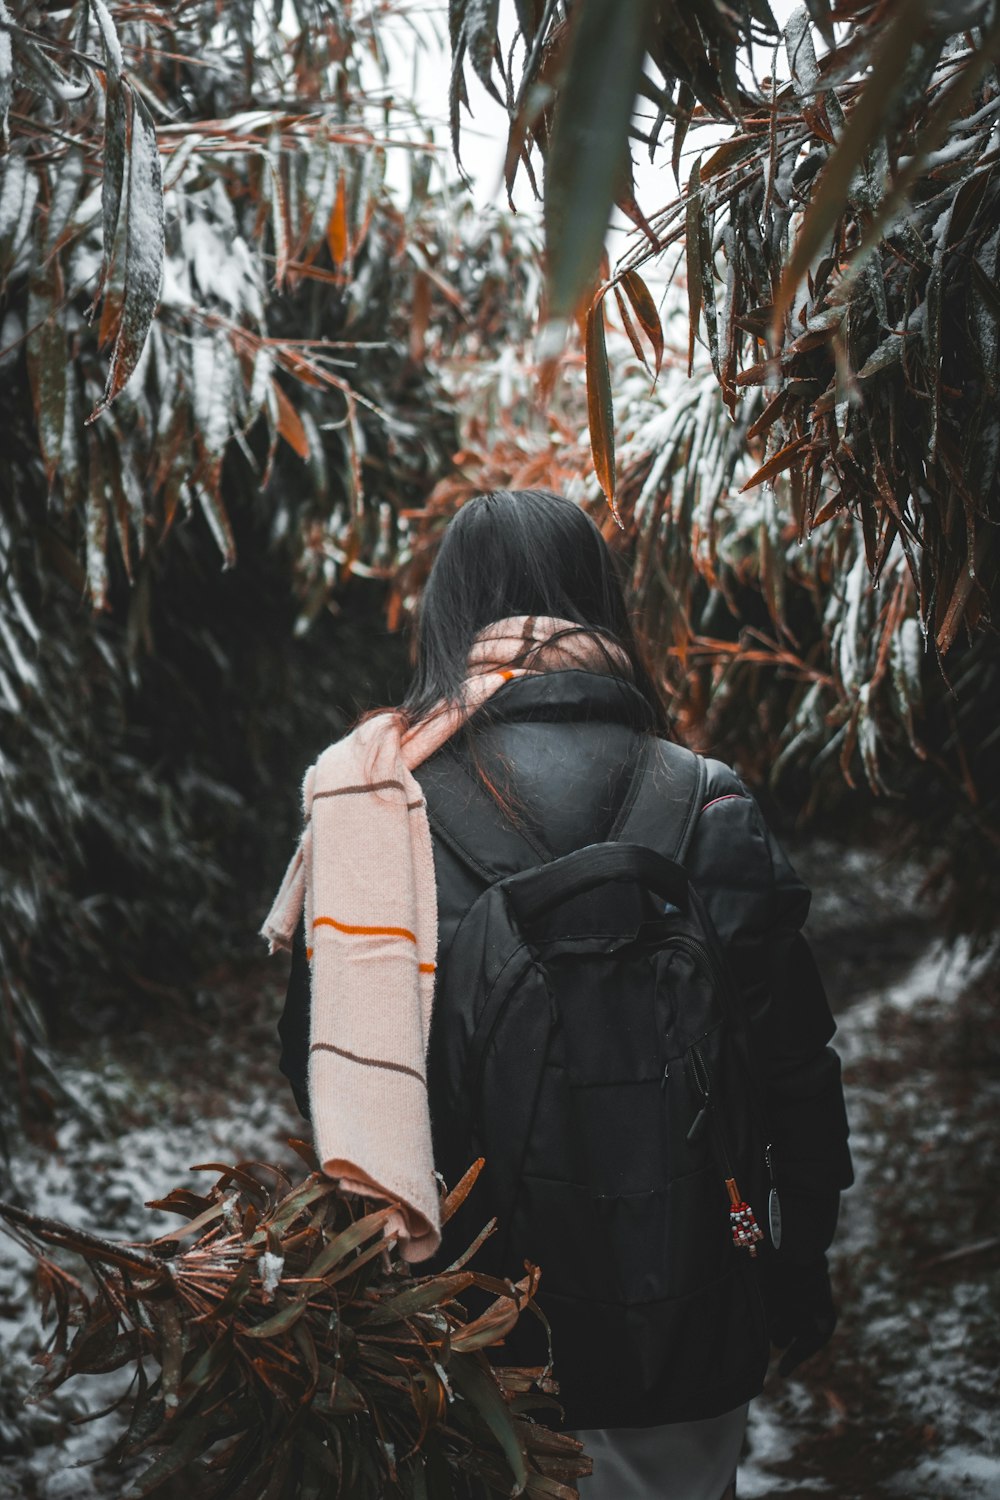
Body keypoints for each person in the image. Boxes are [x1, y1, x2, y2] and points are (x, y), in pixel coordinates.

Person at [267, 488, 853, 1500]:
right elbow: (791, 1068)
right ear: (599, 601)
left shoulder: (377, 810)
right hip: (690, 1320)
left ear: (451, 615)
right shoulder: (706, 795)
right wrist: (797, 1266)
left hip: (463, 1343)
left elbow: (311, 1068)